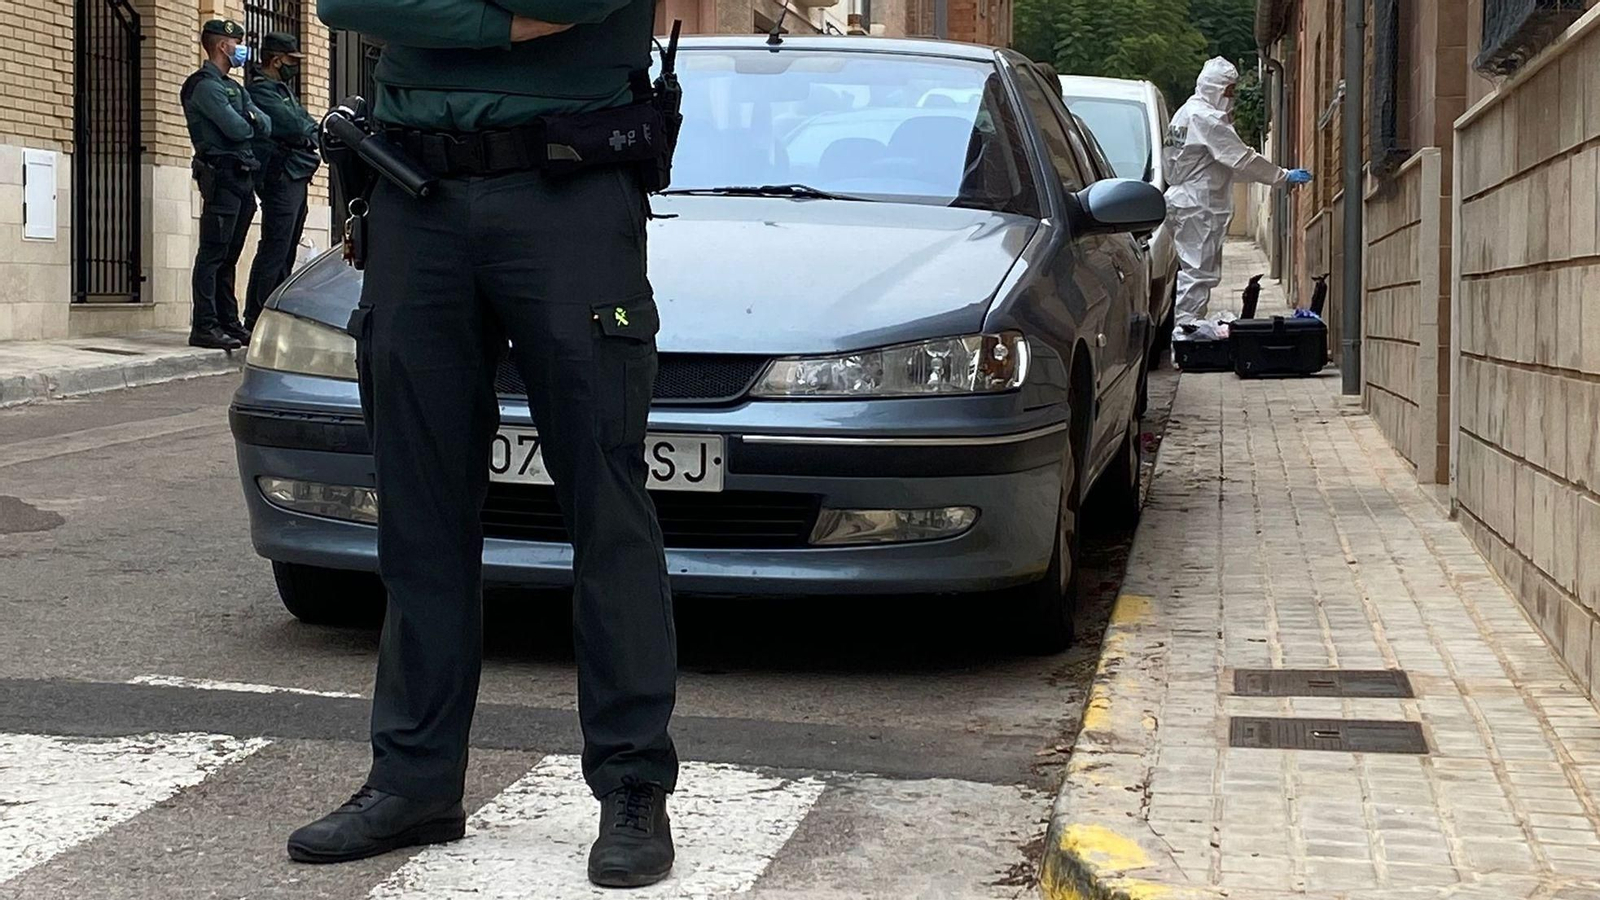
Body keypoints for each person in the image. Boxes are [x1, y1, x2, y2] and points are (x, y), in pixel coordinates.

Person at [288, 0, 678, 889]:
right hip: (413, 199)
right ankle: (415, 782)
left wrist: (432, 21)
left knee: (606, 507)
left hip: (569, 195)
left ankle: (632, 785)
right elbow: (347, 3)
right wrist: (503, 23)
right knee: (418, 514)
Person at [1165, 57, 1311, 339]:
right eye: (1228, 91)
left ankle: (1188, 332)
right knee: (1198, 275)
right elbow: (1240, 158)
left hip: (1188, 199)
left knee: (1197, 272)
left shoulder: (1186, 113)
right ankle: (1184, 339)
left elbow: (1220, 164)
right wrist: (1281, 175)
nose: (1231, 98)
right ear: (1214, 88)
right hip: (1199, 204)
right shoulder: (1205, 118)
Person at [182, 19, 270, 350]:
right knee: (214, 253)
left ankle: (227, 321)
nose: (241, 48)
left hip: (242, 176)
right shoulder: (204, 86)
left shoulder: (233, 87)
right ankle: (205, 325)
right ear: (223, 46)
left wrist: (252, 119)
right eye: (237, 42)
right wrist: (250, 120)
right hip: (222, 175)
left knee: (230, 255)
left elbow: (265, 123)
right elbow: (238, 128)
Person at [243, 32, 320, 334]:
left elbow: (306, 123)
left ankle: (273, 314)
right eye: (291, 60)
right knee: (275, 248)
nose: (295, 66)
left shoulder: (281, 90)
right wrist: (304, 132)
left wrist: (306, 132)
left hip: (296, 174)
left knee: (287, 249)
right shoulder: (262, 91)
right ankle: (256, 316)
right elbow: (291, 124)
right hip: (281, 175)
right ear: (276, 59)